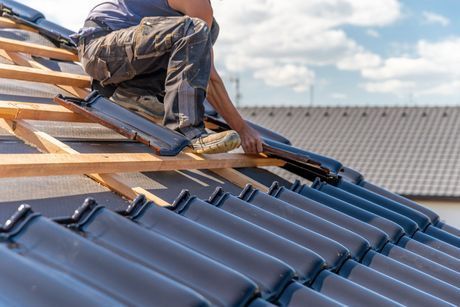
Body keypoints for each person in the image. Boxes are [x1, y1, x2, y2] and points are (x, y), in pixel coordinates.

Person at [74, 0, 263, 154]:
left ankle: (133, 94)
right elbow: (209, 77)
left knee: (206, 31)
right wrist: (242, 129)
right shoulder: (197, 4)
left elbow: (198, 65)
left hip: (118, 57)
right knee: (196, 30)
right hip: (99, 49)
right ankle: (187, 129)